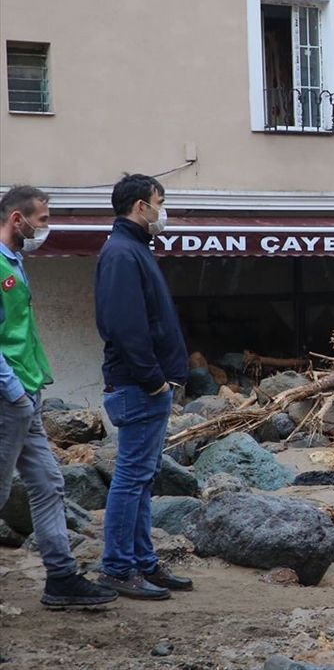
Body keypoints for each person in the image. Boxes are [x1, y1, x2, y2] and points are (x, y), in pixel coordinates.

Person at [0, 186, 119, 608]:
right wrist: (14, 392)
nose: (45, 228)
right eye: (43, 220)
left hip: (25, 394)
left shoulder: (15, 261)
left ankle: (61, 578)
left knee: (49, 483)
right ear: (18, 219)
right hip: (11, 396)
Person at [94, 174, 191, 599]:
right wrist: (154, 380)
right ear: (140, 206)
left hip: (145, 385)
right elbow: (126, 325)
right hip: (139, 386)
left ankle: (142, 561)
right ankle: (117, 567)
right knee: (132, 478)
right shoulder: (122, 253)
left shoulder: (133, 249)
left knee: (142, 477)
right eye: (160, 201)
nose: (163, 209)